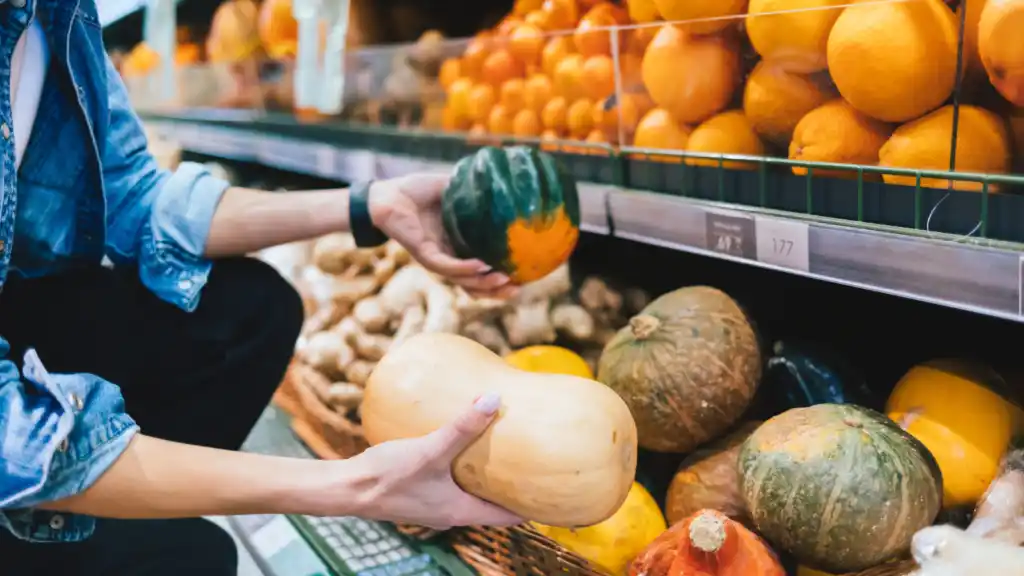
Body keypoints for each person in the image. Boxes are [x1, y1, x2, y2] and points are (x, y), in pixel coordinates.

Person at [0, 1, 522, 574]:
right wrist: (353, 485)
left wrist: (369, 206)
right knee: (198, 560)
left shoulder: (58, 14)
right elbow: (11, 439)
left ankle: (108, 520)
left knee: (251, 313)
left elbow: (136, 196)